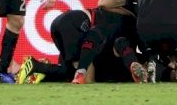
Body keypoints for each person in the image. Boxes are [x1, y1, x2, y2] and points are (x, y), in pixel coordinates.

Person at [98, 0, 177, 83]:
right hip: (147, 52)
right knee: (122, 43)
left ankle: (142, 67)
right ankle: (145, 66)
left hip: (141, 46)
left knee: (122, 43)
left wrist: (131, 14)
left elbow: (103, 2)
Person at [16, 8, 146, 84]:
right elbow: (94, 39)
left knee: (69, 73)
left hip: (62, 22)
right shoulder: (124, 27)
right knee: (85, 78)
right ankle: (35, 65)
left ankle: (40, 71)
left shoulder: (117, 17)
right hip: (77, 22)